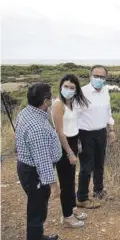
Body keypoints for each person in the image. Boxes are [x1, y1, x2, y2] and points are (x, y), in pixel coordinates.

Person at [15, 83, 62, 240]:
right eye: (51, 95)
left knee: (36, 205)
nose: (53, 98)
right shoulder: (38, 128)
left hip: (26, 166)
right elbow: (43, 161)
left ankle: (38, 236)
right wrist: (54, 186)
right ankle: (35, 237)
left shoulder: (26, 112)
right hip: (35, 173)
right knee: (37, 209)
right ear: (46, 101)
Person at [51, 74, 90, 228]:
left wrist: (77, 144)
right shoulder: (58, 104)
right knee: (66, 182)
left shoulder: (72, 102)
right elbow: (60, 131)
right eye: (66, 86)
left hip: (73, 141)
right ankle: (67, 216)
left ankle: (72, 208)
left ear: (76, 90)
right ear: (61, 86)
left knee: (70, 179)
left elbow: (74, 125)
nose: (68, 89)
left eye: (72, 87)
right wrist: (69, 152)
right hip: (63, 145)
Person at [76, 65, 116, 209]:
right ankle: (82, 197)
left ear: (105, 78)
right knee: (86, 167)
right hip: (85, 134)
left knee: (99, 163)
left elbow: (108, 111)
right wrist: (76, 138)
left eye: (102, 77)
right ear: (90, 76)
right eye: (96, 76)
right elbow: (74, 115)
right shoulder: (81, 92)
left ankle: (98, 191)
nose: (99, 79)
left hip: (101, 132)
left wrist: (111, 129)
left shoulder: (105, 91)